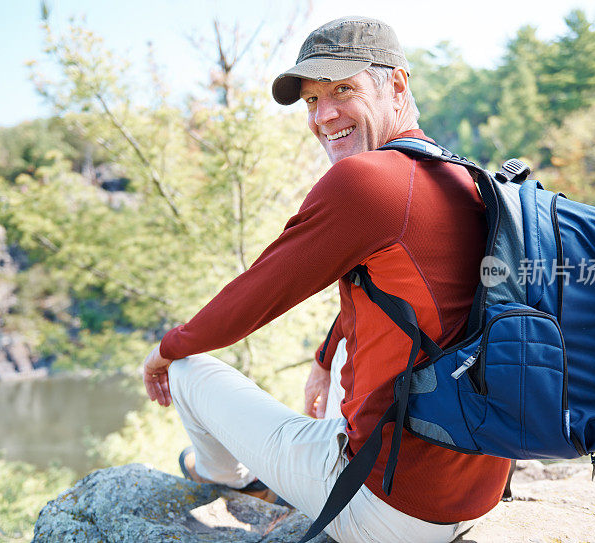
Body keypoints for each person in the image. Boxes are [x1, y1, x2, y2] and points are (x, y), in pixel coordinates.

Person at [142, 16, 510, 543]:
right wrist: (324, 360)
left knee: (189, 371)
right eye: (312, 101)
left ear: (397, 85)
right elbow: (401, 295)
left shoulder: (365, 181)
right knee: (356, 342)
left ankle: (229, 481)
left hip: (389, 509)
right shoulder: (464, 177)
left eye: (343, 89)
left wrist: (165, 351)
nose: (324, 115)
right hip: (474, 492)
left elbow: (256, 294)